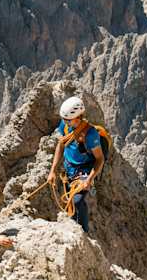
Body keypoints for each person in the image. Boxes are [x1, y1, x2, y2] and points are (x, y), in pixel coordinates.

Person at [45, 96, 104, 233]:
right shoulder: (65, 126)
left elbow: (99, 159)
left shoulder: (91, 134)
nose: (64, 122)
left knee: (77, 200)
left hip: (83, 171)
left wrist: (89, 179)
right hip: (69, 168)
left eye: (68, 120)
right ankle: (72, 224)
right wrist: (52, 170)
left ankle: (83, 233)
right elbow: (61, 144)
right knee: (70, 201)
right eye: (64, 119)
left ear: (78, 117)